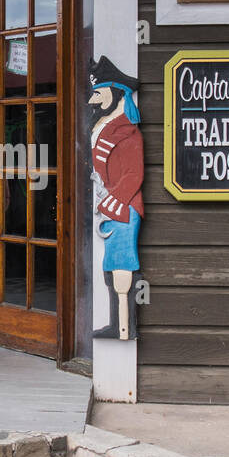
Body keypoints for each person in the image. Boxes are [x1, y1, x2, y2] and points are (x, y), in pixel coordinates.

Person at [89, 56, 144, 341]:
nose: (93, 101)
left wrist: (111, 202)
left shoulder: (127, 132)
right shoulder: (106, 127)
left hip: (123, 208)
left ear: (115, 93)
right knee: (111, 266)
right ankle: (118, 324)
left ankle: (124, 326)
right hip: (111, 206)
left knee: (122, 264)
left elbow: (134, 175)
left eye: (98, 94)